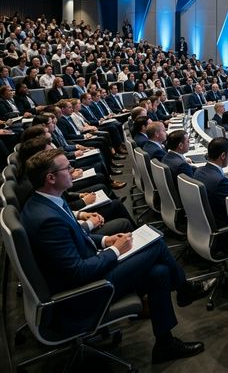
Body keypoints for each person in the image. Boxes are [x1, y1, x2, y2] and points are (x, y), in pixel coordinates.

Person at [21, 148, 212, 364]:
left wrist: (106, 240)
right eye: (68, 168)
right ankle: (184, 289)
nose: (73, 170)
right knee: (157, 244)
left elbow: (76, 237)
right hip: (81, 294)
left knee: (160, 273)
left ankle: (165, 345)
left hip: (86, 274)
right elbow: (77, 273)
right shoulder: (47, 220)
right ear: (50, 178)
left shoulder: (47, 202)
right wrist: (115, 251)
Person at [193, 137, 228, 228]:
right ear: (223, 156)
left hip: (201, 222)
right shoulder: (221, 182)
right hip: (221, 224)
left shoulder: (199, 171)